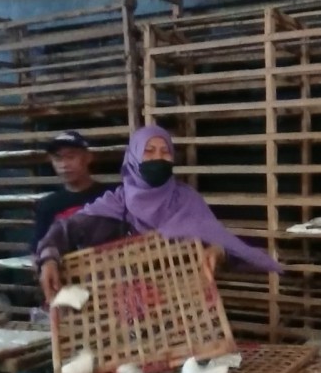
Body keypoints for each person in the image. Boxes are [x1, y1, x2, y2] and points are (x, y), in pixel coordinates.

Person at [36, 125, 282, 301]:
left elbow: (222, 243)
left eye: (165, 152)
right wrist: (48, 259)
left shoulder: (186, 199)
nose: (158, 158)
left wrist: (217, 251)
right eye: (149, 152)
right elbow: (65, 229)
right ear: (133, 157)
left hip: (184, 307)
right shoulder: (116, 203)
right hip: (129, 309)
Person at [30, 131, 112, 252]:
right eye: (58, 158)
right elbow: (38, 249)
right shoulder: (47, 205)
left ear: (88, 158)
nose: (64, 165)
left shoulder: (111, 196)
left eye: (71, 157)